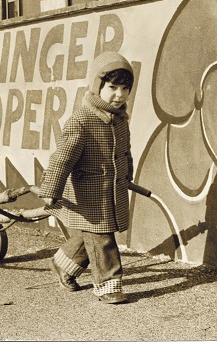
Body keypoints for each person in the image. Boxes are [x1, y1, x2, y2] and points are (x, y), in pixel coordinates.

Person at [38, 51, 135, 304]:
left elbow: (125, 152)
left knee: (91, 234)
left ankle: (63, 265)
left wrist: (127, 176)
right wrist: (51, 190)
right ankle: (108, 285)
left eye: (125, 88)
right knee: (102, 239)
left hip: (112, 190)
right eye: (112, 87)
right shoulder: (82, 120)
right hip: (87, 191)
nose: (119, 95)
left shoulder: (120, 119)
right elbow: (63, 158)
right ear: (97, 86)